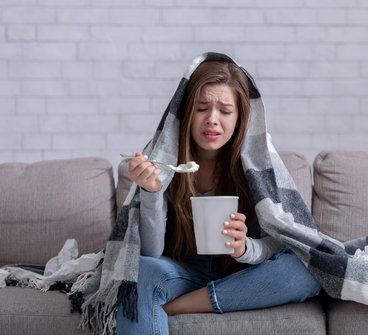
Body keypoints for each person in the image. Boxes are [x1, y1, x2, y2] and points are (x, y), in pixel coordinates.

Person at [116, 55, 321, 334]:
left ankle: (177, 306)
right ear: (187, 113)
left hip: (242, 273)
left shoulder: (258, 163)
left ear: (239, 120)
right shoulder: (164, 159)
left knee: (308, 269)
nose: (212, 120)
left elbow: (284, 239)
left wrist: (245, 248)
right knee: (140, 272)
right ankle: (188, 298)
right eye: (202, 108)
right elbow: (151, 253)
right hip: (182, 268)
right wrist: (151, 193)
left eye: (225, 111)